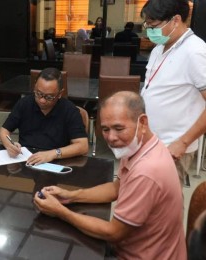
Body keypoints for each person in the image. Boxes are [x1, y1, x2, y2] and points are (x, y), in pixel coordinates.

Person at [34, 91, 186, 259]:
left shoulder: (147, 171)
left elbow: (114, 233)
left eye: (119, 128)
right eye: (105, 129)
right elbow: (116, 188)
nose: (111, 138)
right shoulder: (138, 146)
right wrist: (70, 196)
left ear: (142, 122)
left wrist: (60, 211)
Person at [140, 0, 206, 187]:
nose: (149, 30)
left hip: (173, 147)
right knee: (145, 205)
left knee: (163, 209)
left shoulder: (195, 51)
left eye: (153, 25)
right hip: (150, 142)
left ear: (176, 20)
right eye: (147, 24)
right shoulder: (159, 48)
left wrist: (183, 143)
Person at [0, 68, 88, 165]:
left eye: (49, 97)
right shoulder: (24, 104)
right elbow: (4, 130)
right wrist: (9, 145)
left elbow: (83, 146)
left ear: (60, 94)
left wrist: (52, 154)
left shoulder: (69, 110)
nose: (42, 100)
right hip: (26, 159)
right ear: (34, 87)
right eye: (38, 94)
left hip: (56, 162)